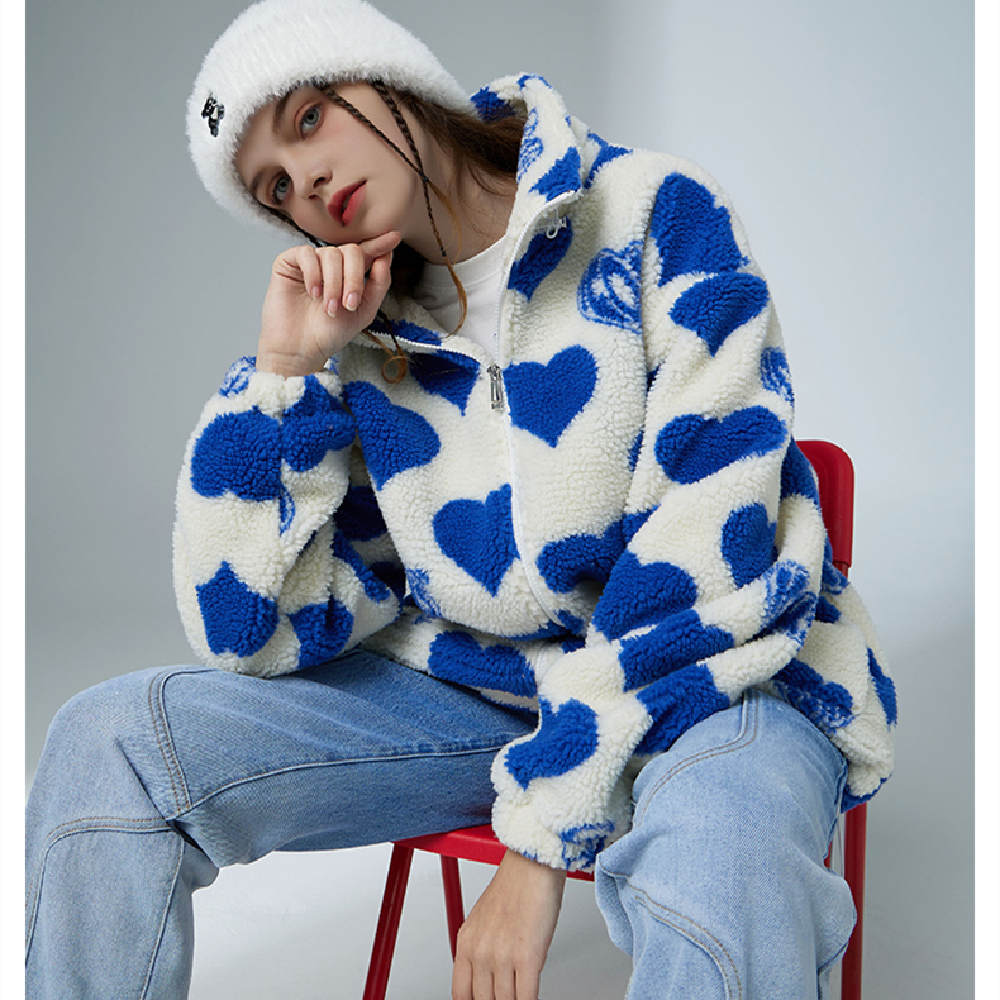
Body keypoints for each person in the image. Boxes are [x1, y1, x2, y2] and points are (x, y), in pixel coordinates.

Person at [25, 1, 899, 997]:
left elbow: (709, 548)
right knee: (110, 743)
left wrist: (538, 838)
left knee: (721, 855)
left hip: (723, 676)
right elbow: (252, 630)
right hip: (482, 695)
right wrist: (282, 375)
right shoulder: (369, 340)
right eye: (275, 187)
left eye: (309, 119)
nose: (308, 180)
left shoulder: (657, 213)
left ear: (391, 77)